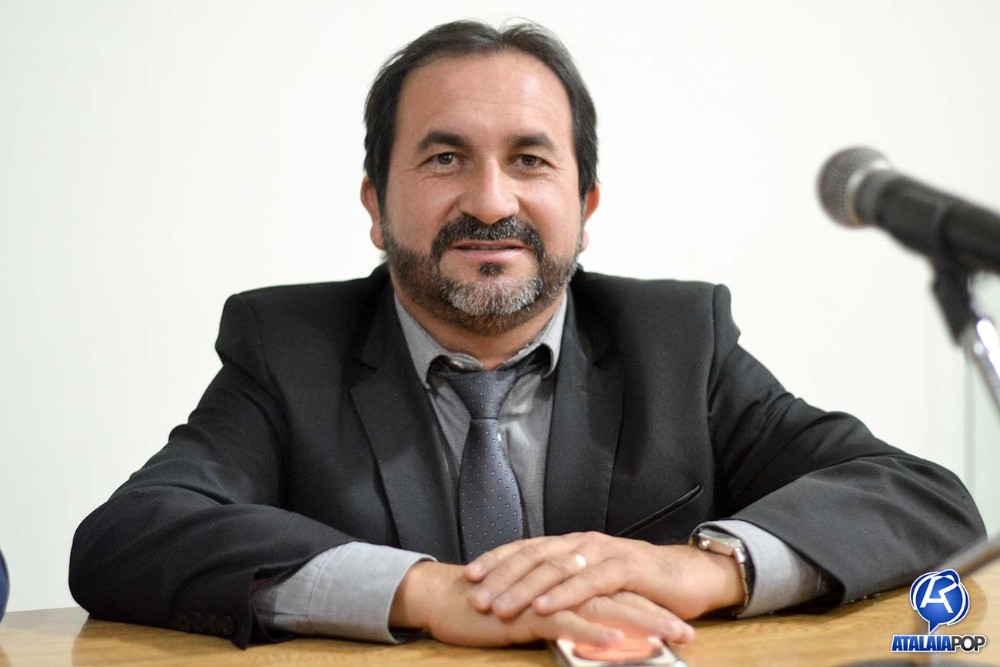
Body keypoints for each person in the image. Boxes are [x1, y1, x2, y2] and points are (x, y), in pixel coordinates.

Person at [69, 19, 985, 650]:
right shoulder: (287, 346)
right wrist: (427, 591)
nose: (490, 200)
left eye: (529, 159)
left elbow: (921, 499)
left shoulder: (678, 342)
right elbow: (130, 536)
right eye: (445, 157)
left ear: (585, 207)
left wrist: (704, 568)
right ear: (376, 207)